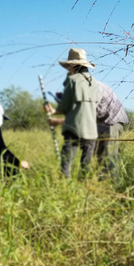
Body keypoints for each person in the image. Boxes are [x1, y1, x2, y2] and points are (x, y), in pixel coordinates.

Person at [45, 48, 99, 179]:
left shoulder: (72, 80)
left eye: (69, 65)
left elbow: (65, 106)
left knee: (67, 161)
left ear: (74, 65)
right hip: (91, 130)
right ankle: (84, 185)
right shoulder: (96, 83)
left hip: (74, 128)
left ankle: (65, 186)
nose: (68, 68)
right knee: (86, 165)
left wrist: (53, 111)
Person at [95, 80, 129, 179]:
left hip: (111, 124)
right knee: (99, 156)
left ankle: (114, 187)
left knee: (110, 157)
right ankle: (102, 184)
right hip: (101, 124)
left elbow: (96, 111)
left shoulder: (94, 88)